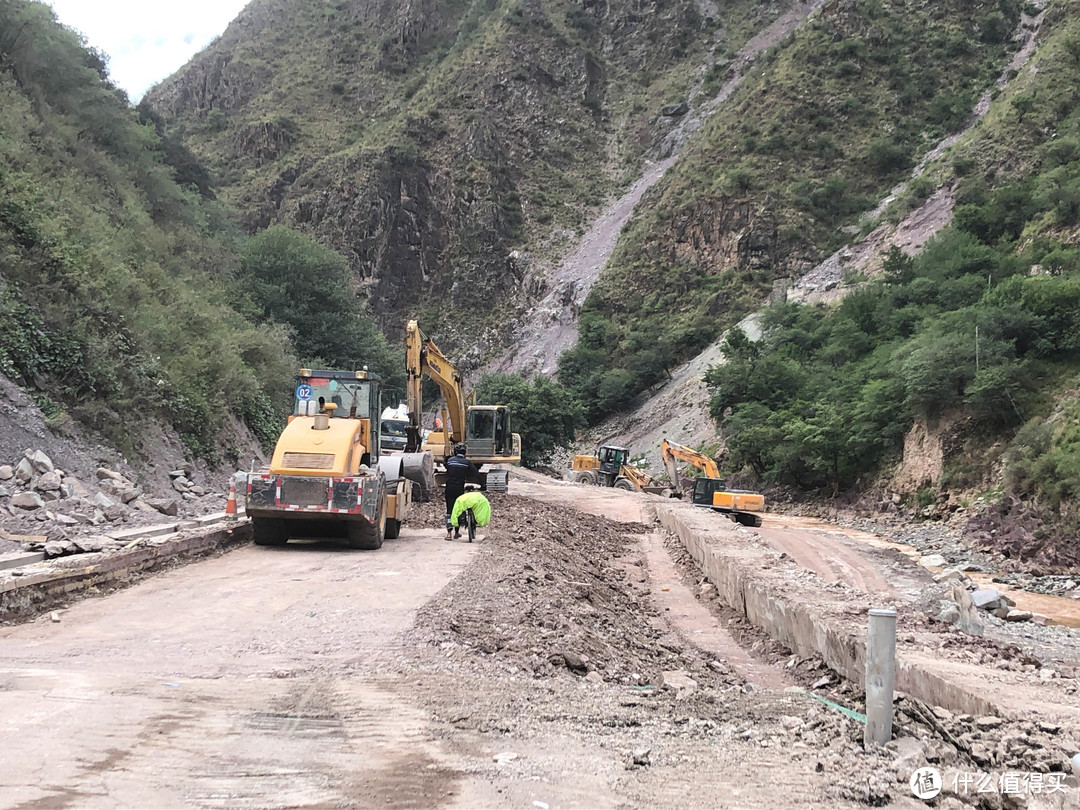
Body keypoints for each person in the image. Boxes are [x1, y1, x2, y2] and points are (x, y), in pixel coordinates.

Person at [444, 443, 478, 540]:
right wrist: (483, 485)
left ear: (455, 452)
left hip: (449, 488)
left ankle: (449, 534)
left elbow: (448, 470)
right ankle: (457, 532)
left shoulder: (450, 461)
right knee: (458, 509)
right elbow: (475, 473)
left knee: (449, 510)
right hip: (459, 489)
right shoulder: (467, 463)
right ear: (465, 452)